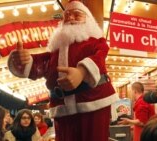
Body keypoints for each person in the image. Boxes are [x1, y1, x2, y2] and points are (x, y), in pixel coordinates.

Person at [7, 0, 118, 140]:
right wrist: (24, 60)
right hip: (62, 108)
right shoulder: (55, 50)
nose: (70, 18)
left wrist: (82, 71)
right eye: (67, 15)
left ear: (88, 20)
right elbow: (41, 63)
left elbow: (99, 56)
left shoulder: (96, 42)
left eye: (77, 15)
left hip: (93, 102)